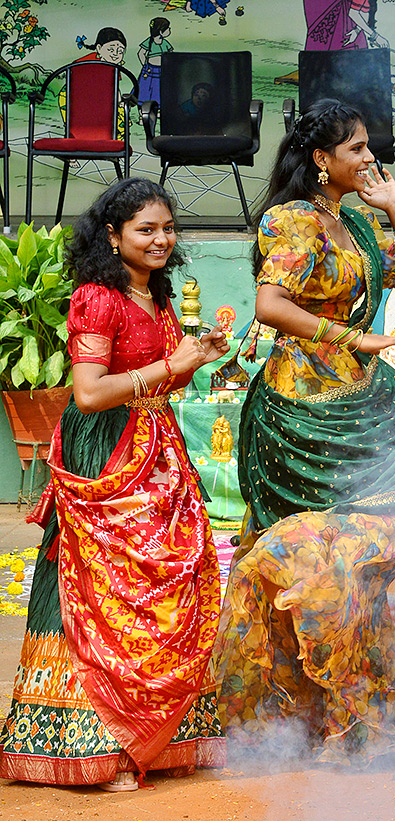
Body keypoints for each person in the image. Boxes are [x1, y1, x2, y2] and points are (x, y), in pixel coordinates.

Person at [213, 98, 395, 764]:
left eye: (369, 146)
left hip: (362, 410)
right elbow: (269, 303)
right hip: (298, 421)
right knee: (301, 561)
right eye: (356, 149)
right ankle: (286, 712)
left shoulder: (362, 225)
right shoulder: (289, 222)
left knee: (361, 563)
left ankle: (352, 704)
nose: (368, 158)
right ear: (320, 158)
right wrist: (352, 336)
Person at [0, 178, 229, 789]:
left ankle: (155, 742)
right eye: (145, 229)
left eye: (168, 228)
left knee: (167, 581)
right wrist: (167, 366)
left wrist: (198, 358)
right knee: (99, 588)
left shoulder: (156, 296)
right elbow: (89, 393)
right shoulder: (98, 298)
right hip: (105, 453)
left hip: (156, 450)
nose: (160, 240)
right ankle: (88, 747)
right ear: (112, 234)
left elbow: (163, 381)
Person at [137, 17, 173, 108]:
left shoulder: (165, 43)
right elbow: (141, 53)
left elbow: (171, 55)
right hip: (150, 70)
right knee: (146, 91)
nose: (169, 30)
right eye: (168, 28)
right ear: (161, 31)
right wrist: (145, 65)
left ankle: (158, 110)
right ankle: (142, 113)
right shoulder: (149, 42)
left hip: (162, 70)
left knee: (159, 90)